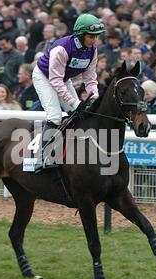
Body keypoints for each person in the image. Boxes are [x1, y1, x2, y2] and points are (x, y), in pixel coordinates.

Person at [32, 13, 104, 173]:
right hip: (44, 77)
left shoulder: (92, 51)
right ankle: (41, 157)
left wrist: (95, 97)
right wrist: (74, 101)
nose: (94, 40)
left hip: (62, 79)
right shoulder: (62, 49)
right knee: (55, 116)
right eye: (91, 36)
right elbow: (55, 81)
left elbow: (90, 79)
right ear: (81, 34)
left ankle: (67, 153)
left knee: (78, 114)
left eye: (96, 36)